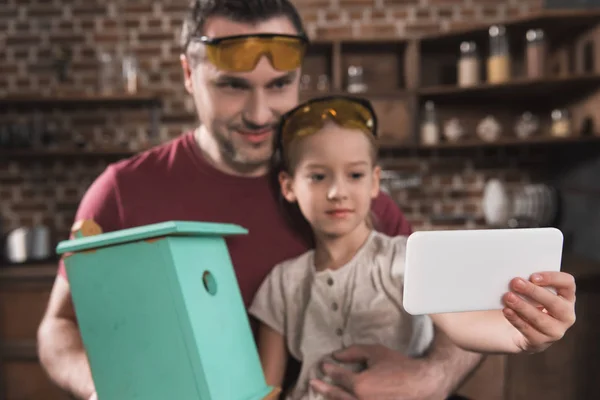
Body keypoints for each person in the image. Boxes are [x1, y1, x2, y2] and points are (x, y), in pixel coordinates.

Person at [37, 1, 486, 399]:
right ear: (189, 75)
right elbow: (59, 327)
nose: (258, 113)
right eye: (232, 86)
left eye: (279, 85)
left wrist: (434, 378)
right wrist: (104, 389)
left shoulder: (340, 195)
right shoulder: (122, 192)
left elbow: (455, 306)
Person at [248, 95, 577, 400]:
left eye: (355, 174)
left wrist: (519, 336)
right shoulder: (282, 282)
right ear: (289, 186)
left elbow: (462, 324)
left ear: (375, 181)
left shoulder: (406, 259)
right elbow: (267, 387)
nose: (337, 191)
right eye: (318, 176)